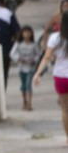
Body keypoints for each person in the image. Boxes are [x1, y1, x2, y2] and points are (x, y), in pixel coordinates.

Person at [33, 11, 68, 146]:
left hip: (60, 77)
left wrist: (38, 73)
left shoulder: (55, 38)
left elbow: (46, 57)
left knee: (65, 109)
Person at [0, 0, 21, 90]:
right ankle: (1, 92)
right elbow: (17, 31)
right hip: (5, 47)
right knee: (3, 72)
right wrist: (15, 43)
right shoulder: (9, 14)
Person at [11, 26, 41, 111]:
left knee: (28, 84)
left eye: (28, 33)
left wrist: (34, 60)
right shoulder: (18, 44)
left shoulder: (33, 44)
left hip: (30, 68)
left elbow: (38, 54)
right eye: (25, 33)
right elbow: (12, 53)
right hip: (21, 68)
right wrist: (19, 59)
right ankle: (24, 101)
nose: (27, 34)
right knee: (23, 85)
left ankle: (29, 103)